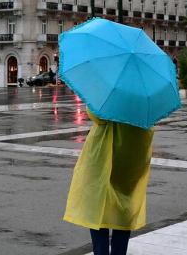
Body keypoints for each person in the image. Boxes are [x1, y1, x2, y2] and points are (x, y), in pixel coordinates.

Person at [63, 109, 154, 255]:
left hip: (104, 155)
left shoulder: (110, 97)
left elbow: (96, 115)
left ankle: (101, 252)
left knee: (98, 205)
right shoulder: (144, 102)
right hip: (132, 154)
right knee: (124, 208)